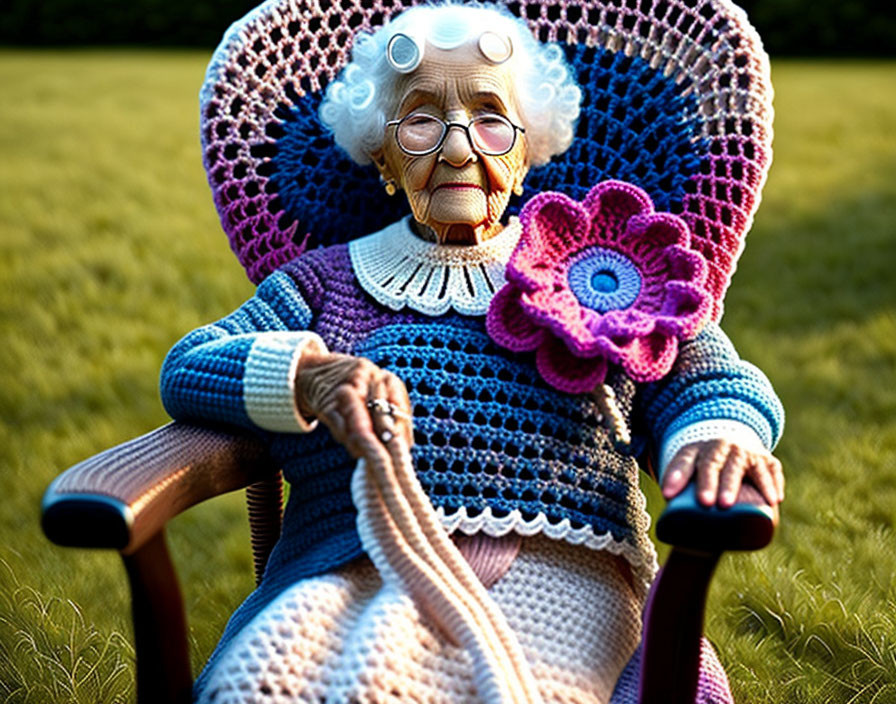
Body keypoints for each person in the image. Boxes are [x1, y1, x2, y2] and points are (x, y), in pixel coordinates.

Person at [160, 4, 784, 702]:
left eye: (489, 117)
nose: (458, 148)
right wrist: (304, 376)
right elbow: (190, 364)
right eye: (423, 118)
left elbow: (705, 374)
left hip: (561, 579)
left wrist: (715, 431)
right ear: (383, 153)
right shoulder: (324, 284)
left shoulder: (595, 268)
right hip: (350, 573)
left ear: (526, 148)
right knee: (268, 680)